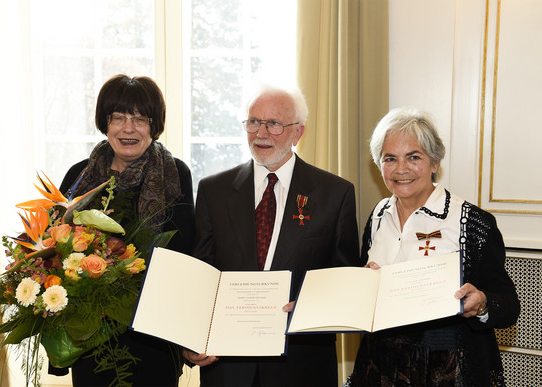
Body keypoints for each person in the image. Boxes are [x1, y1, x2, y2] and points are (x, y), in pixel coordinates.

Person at [184, 82, 360, 386]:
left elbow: (345, 280)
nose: (261, 133)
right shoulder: (214, 190)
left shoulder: (335, 194)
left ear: (298, 132)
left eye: (274, 124)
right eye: (253, 121)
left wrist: (310, 306)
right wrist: (191, 337)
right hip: (227, 367)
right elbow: (201, 276)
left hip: (302, 366)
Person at [344, 107, 520, 386]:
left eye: (413, 157)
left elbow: (509, 305)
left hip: (448, 372)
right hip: (380, 368)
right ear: (380, 165)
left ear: (435, 162)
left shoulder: (472, 222)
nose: (401, 169)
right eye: (390, 159)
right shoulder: (378, 216)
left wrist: (483, 303)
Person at [49, 74, 195, 386]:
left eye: (140, 119)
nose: (128, 128)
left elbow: (185, 252)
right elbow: (54, 248)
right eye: (118, 117)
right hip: (92, 337)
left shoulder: (176, 174)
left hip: (154, 334)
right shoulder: (79, 176)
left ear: (154, 126)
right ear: (105, 122)